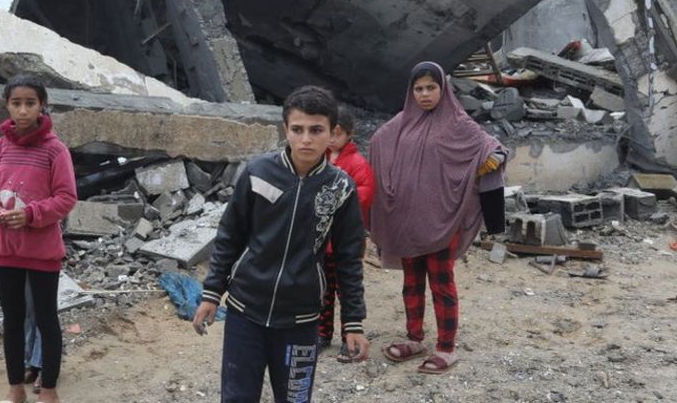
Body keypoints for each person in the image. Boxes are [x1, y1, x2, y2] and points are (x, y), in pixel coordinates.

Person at [193, 85, 370, 403]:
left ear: (332, 133)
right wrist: (211, 293)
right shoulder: (259, 172)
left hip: (301, 321)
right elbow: (230, 235)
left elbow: (348, 258)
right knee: (236, 397)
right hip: (245, 311)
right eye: (297, 129)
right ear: (285, 129)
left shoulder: (340, 188)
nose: (306, 139)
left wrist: (352, 322)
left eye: (316, 130)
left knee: (294, 399)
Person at [368, 61, 506, 375]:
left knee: (441, 283)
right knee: (412, 282)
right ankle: (415, 339)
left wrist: (490, 161)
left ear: (443, 89)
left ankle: (446, 347)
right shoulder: (401, 123)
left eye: (431, 88)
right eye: (419, 89)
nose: (425, 94)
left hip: (444, 220)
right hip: (408, 220)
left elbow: (492, 148)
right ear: (411, 92)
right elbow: (377, 142)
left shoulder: (458, 122)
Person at [0, 74, 76, 403]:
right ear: (6, 106)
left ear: (42, 106)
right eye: (16, 103)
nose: (22, 111)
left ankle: (49, 389)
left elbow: (66, 197)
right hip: (5, 250)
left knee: (47, 319)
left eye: (30, 103)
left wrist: (32, 214)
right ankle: (15, 388)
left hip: (43, 251)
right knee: (13, 320)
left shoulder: (55, 151)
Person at [319, 110, 375, 362]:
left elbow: (365, 193)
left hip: (345, 240)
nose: (332, 138)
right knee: (322, 290)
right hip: (322, 241)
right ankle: (321, 334)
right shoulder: (320, 160)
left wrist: (336, 204)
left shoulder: (357, 164)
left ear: (349, 134)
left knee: (347, 288)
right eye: (329, 132)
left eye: (337, 133)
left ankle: (348, 337)